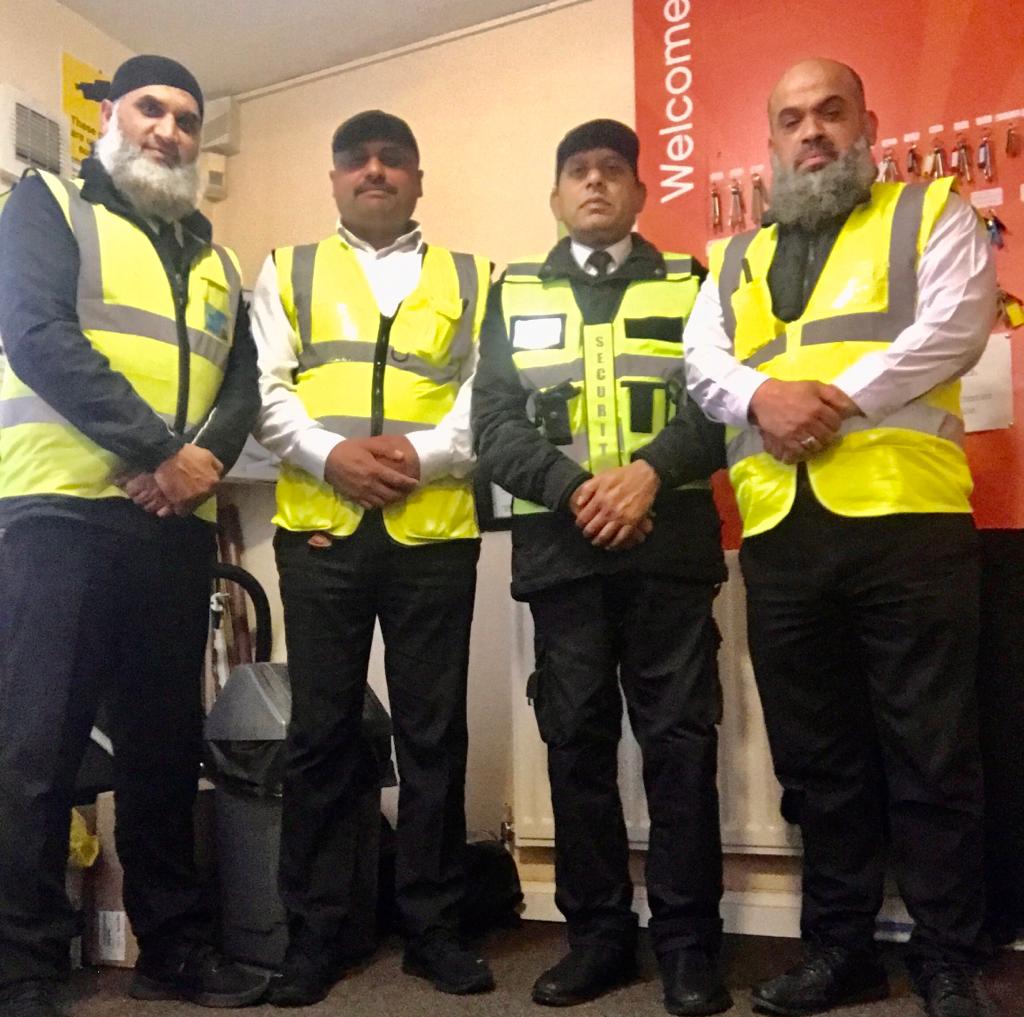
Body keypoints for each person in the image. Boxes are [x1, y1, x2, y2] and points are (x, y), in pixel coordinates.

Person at [683, 58, 997, 1017]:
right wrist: (762, 397)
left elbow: (958, 321)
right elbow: (704, 363)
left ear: (867, 123)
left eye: (829, 112)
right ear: (770, 141)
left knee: (933, 753)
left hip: (908, 523)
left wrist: (834, 402)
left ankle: (947, 957)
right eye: (791, 118)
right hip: (783, 534)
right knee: (818, 763)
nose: (810, 130)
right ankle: (841, 952)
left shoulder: (929, 211)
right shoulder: (734, 258)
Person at [0, 55, 264, 1016]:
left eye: (188, 119)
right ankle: (22, 965)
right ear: (109, 116)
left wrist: (195, 465)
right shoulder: (47, 205)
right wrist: (161, 451)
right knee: (37, 752)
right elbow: (36, 334)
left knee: (164, 746)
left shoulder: (218, 257)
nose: (169, 131)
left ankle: (174, 947)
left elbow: (241, 380)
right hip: (57, 516)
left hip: (170, 528)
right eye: (150, 109)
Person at [472, 119, 730, 1016]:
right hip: (563, 560)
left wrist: (647, 478)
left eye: (611, 171)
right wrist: (580, 489)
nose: (594, 184)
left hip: (672, 554)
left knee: (680, 747)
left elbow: (719, 410)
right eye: (576, 171)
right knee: (575, 747)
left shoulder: (691, 284)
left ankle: (691, 946)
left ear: (638, 191)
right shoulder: (511, 296)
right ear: (555, 194)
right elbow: (493, 427)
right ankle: (598, 941)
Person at [250, 110, 493, 1005]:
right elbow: (265, 390)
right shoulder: (287, 270)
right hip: (321, 531)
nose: (376, 172)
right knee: (320, 738)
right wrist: (333, 457)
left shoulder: (474, 277)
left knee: (434, 738)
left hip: (434, 534)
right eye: (357, 160)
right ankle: (316, 935)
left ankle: (434, 929)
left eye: (395, 160)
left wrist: (416, 461)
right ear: (335, 178)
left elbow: (484, 396)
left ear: (420, 178)